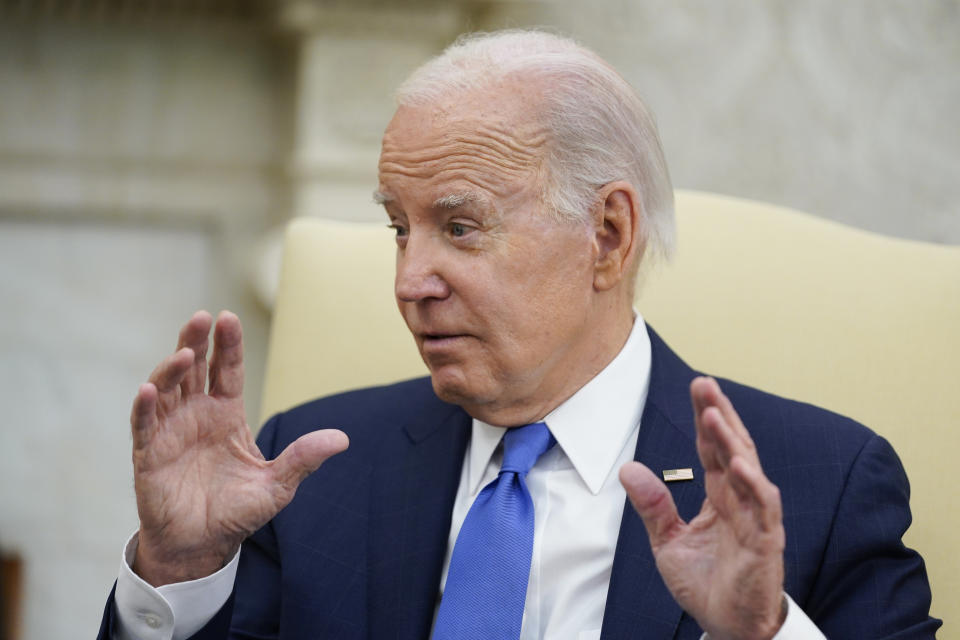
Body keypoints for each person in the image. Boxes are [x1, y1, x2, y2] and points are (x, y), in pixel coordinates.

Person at [98, 30, 939, 640]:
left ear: (608, 235)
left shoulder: (820, 486)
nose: (408, 280)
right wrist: (178, 571)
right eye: (399, 228)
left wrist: (760, 635)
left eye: (460, 227)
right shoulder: (311, 472)